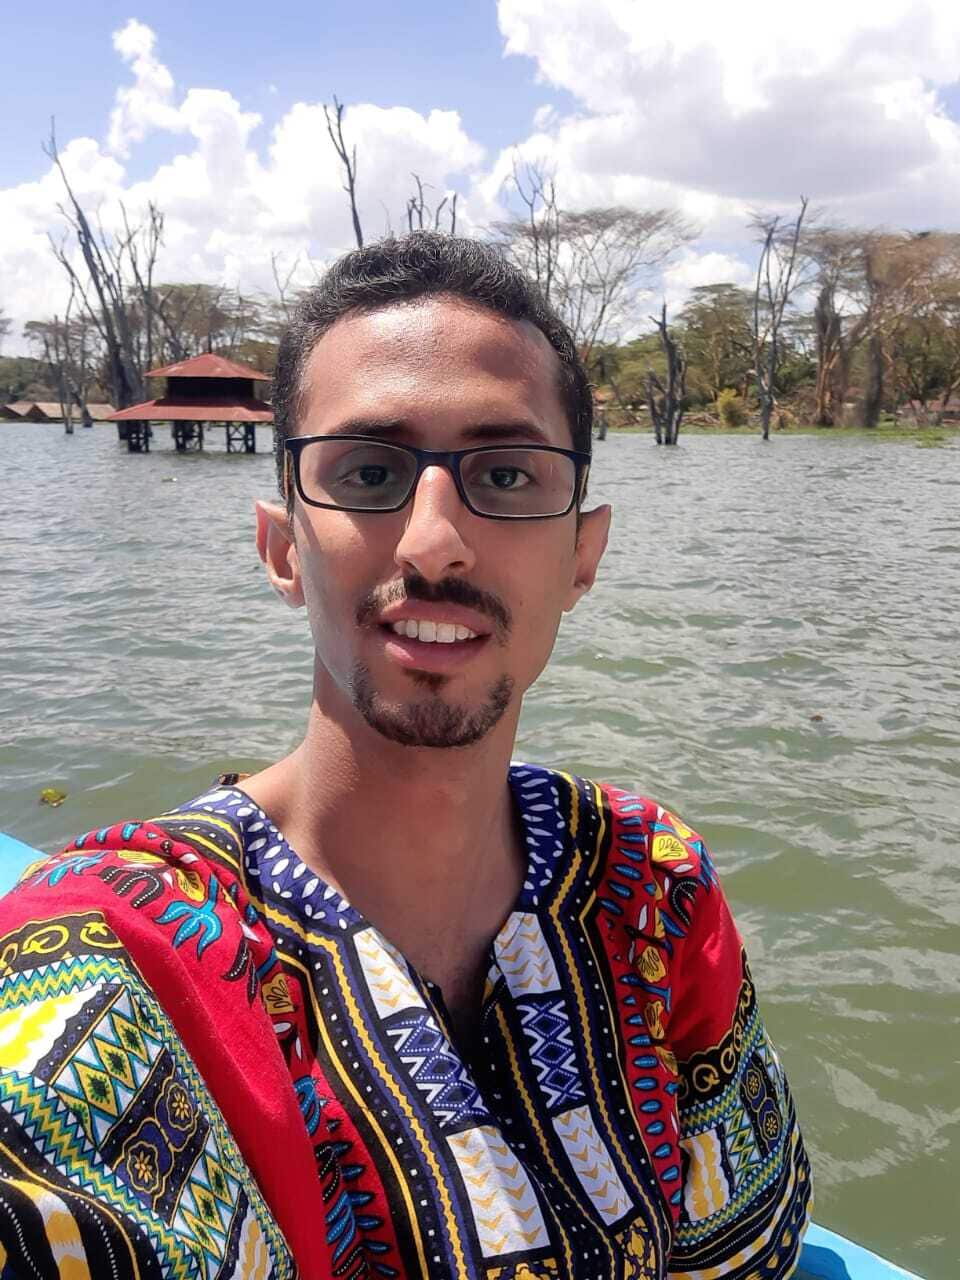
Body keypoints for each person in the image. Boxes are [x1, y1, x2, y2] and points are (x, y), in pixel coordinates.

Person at [0, 234, 810, 1279]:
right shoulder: (108, 965)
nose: (434, 542)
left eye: (508, 472)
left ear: (584, 553)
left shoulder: (652, 884)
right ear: (284, 547)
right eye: (372, 471)